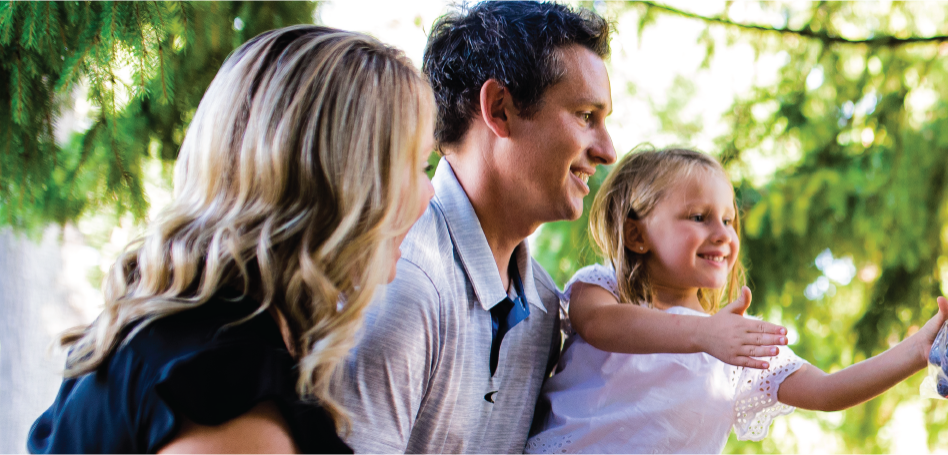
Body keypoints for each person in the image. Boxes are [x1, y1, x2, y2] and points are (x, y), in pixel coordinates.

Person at [333, 3, 788, 453]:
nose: (609, 150)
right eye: (586, 116)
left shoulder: (545, 305)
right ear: (499, 109)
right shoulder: (404, 278)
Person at [28, 25, 436, 453]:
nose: (428, 195)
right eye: (417, 166)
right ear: (342, 184)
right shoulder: (226, 385)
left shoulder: (184, 332)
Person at [525, 148, 948, 454]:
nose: (724, 233)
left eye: (728, 219)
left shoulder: (735, 344)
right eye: (699, 217)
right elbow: (602, 325)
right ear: (637, 235)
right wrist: (705, 333)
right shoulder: (603, 288)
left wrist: (916, 352)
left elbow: (826, 390)